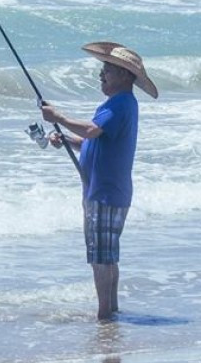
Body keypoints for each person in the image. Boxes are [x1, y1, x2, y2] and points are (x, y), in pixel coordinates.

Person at [40, 42, 158, 321]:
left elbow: (92, 131)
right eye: (103, 69)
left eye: (108, 70)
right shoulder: (118, 104)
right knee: (108, 255)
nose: (101, 74)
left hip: (105, 192)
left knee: (101, 257)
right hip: (107, 190)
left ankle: (105, 316)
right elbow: (92, 141)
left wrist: (58, 117)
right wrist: (66, 139)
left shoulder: (120, 104)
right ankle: (111, 309)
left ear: (126, 76)